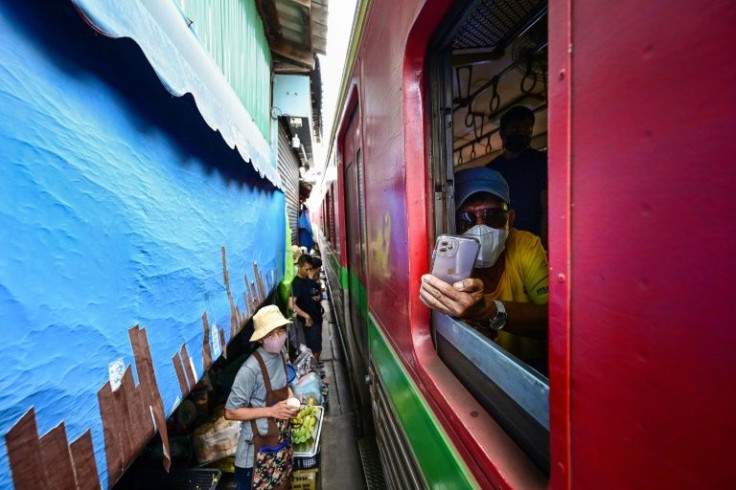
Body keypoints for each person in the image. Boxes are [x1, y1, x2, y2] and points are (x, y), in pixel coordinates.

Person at [420, 167, 549, 371]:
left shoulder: (526, 245)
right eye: (467, 220)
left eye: (493, 216)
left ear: (511, 218)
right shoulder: (450, 262)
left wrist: (488, 311)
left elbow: (553, 319)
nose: (481, 228)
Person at [225, 305, 299, 490]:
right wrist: (271, 411)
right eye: (270, 334)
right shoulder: (250, 369)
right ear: (260, 339)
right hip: (256, 453)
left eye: (280, 331)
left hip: (281, 445)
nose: (277, 338)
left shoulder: (281, 355)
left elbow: (284, 385)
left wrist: (293, 401)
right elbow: (230, 412)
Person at [486, 106, 547, 242]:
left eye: (527, 129)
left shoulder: (540, 162)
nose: (522, 133)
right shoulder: (491, 170)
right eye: (515, 128)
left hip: (531, 242)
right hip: (501, 244)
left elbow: (547, 208)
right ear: (502, 134)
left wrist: (543, 246)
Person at [290, 254, 323, 362]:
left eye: (310, 269)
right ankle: (314, 372)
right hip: (309, 324)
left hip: (316, 319)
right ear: (299, 267)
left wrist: (318, 297)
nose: (309, 272)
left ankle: (315, 370)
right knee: (314, 350)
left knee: (318, 348)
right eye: (306, 269)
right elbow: (291, 305)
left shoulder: (308, 279)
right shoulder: (296, 283)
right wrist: (306, 315)